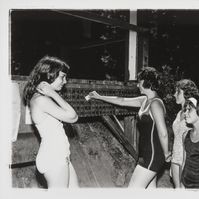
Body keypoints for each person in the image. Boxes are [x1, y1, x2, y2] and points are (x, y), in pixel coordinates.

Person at [87, 67, 171, 188]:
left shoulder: (156, 103)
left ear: (147, 82)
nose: (138, 85)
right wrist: (99, 97)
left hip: (153, 154)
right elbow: (121, 101)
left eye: (139, 82)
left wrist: (167, 153)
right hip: (145, 153)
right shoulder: (145, 100)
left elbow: (163, 133)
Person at [23, 56, 79, 188]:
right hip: (54, 158)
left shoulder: (43, 98)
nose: (65, 81)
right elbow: (73, 117)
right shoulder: (41, 100)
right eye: (62, 77)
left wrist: (52, 93)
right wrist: (54, 94)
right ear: (50, 76)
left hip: (61, 155)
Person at [171, 79, 199, 188]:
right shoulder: (179, 113)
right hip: (175, 157)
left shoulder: (194, 114)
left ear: (186, 94)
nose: (174, 95)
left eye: (178, 92)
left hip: (186, 158)